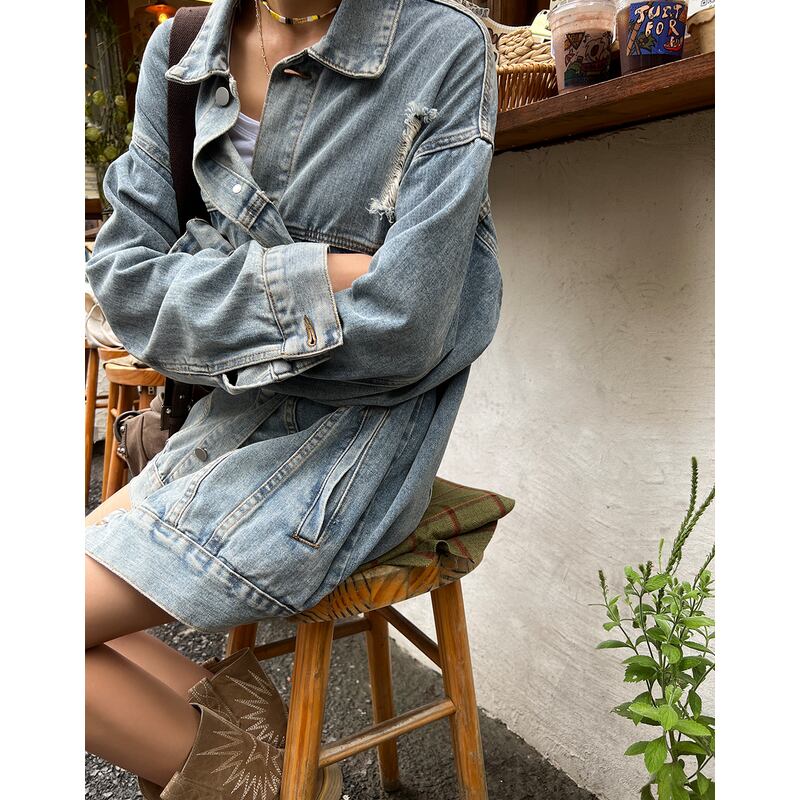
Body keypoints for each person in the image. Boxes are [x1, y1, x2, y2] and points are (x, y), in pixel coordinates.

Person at [84, 0, 502, 797]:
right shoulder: (181, 53)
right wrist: (326, 275)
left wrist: (207, 282)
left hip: (355, 445)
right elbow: (126, 286)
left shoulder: (443, 46)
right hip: (224, 427)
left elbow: (409, 327)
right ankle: (292, 776)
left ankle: (290, 785)